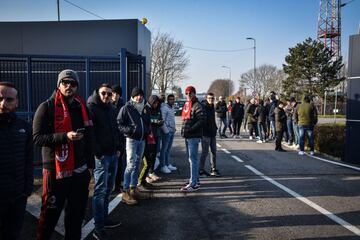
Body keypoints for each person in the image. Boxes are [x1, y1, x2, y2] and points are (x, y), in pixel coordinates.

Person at [33, 69, 94, 240]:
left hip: (80, 170)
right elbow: (37, 138)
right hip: (56, 170)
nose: (68, 86)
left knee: (76, 217)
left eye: (72, 83)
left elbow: (89, 137)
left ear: (77, 87)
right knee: (49, 217)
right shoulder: (47, 107)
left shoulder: (82, 107)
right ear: (58, 85)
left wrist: (90, 166)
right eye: (65, 83)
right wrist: (64, 137)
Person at [88, 84, 122, 239]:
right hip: (102, 157)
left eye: (109, 94)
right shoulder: (91, 108)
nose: (106, 96)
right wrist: (98, 153)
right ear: (98, 92)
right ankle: (98, 227)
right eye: (103, 93)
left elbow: (115, 129)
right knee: (100, 192)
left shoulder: (111, 108)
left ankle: (105, 218)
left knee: (109, 189)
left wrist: (119, 147)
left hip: (113, 154)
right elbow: (91, 133)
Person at [0, 82, 33, 240]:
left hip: (18, 197)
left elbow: (28, 159)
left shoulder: (24, 127)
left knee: (13, 234)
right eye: (0, 98)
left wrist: (27, 189)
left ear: (16, 102)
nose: (3, 103)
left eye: (9, 99)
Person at [117, 87, 150, 205]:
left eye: (141, 95)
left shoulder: (145, 108)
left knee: (137, 164)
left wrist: (147, 130)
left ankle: (133, 188)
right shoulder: (127, 107)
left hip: (142, 140)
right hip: (131, 140)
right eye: (137, 95)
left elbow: (147, 122)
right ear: (132, 96)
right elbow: (119, 123)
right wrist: (130, 131)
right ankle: (125, 191)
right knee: (130, 164)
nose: (139, 97)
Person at [180, 86, 205, 192]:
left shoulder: (197, 105)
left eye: (190, 93)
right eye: (186, 93)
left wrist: (190, 129)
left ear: (194, 93)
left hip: (193, 136)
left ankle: (193, 183)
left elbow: (202, 120)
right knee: (191, 159)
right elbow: (185, 120)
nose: (188, 95)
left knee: (193, 160)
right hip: (188, 136)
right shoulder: (187, 105)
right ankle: (195, 180)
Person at [138, 95, 164, 187]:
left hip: (155, 135)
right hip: (148, 137)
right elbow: (146, 120)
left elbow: (159, 118)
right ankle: (144, 177)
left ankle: (150, 173)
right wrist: (156, 121)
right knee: (147, 158)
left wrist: (160, 122)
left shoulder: (157, 108)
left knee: (153, 155)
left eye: (157, 103)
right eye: (155, 103)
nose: (156, 105)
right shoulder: (146, 109)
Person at [199, 93, 221, 177]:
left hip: (212, 133)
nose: (211, 100)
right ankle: (201, 170)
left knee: (214, 152)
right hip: (205, 133)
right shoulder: (203, 107)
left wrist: (215, 128)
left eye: (212, 98)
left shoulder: (212, 107)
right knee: (204, 152)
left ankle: (213, 169)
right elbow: (202, 120)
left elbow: (212, 119)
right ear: (206, 98)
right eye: (209, 98)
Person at [111, 85, 126, 193]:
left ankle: (118, 184)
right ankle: (110, 185)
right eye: (113, 93)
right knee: (109, 163)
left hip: (120, 139)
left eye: (117, 93)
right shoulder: (107, 105)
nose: (114, 96)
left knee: (119, 162)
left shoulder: (123, 106)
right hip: (110, 138)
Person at [159, 94, 177, 174]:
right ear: (167, 100)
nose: (172, 101)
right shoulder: (165, 108)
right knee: (164, 149)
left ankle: (167, 164)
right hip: (166, 132)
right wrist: (166, 131)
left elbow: (172, 119)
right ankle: (163, 166)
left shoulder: (172, 108)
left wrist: (174, 128)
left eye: (173, 99)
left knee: (168, 149)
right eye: (170, 99)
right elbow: (162, 120)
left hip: (172, 131)